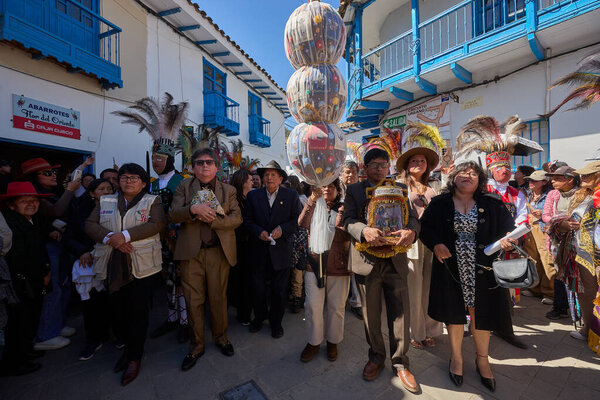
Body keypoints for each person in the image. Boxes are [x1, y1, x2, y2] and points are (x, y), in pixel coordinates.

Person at [420, 161, 516, 392]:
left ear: (480, 180)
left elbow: (508, 228)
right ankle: (456, 358)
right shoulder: (439, 203)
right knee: (453, 314)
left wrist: (507, 240)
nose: (468, 176)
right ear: (453, 177)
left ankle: (482, 359)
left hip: (483, 268)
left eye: (473, 173)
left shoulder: (491, 203)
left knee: (481, 312)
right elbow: (425, 228)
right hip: (451, 267)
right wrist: (436, 244)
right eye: (463, 172)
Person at [343, 147, 420, 393]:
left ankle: (400, 362)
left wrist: (411, 231)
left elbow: (413, 219)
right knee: (371, 315)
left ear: (389, 167)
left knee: (401, 314)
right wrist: (363, 230)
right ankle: (376, 357)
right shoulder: (354, 190)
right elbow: (347, 220)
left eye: (383, 164)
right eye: (374, 164)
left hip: (395, 260)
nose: (379, 168)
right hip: (367, 261)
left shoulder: (401, 189)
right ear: (365, 168)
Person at [85, 163, 166, 385]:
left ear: (142, 182)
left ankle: (134, 357)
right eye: (124, 177)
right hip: (113, 263)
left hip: (143, 266)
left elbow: (157, 224)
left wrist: (126, 236)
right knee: (119, 310)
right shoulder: (106, 200)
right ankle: (128, 350)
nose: (128, 181)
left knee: (138, 312)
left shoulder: (152, 201)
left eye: (134, 178)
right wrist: (112, 237)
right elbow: (90, 224)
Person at [170, 149, 242, 371]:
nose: (204, 167)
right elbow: (173, 213)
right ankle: (197, 345)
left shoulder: (228, 190)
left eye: (209, 162)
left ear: (217, 166)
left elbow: (237, 218)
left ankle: (221, 338)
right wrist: (193, 209)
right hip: (191, 254)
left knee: (219, 299)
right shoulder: (184, 186)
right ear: (193, 167)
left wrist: (213, 220)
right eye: (199, 163)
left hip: (218, 252)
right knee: (193, 302)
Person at [21, 158, 81, 351]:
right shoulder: (34, 195)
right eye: (47, 173)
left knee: (62, 287)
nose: (53, 175)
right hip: (46, 250)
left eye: (53, 172)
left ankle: (56, 325)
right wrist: (70, 189)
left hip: (60, 246)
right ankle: (46, 334)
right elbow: (55, 212)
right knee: (51, 291)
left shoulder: (50, 193)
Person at [395, 122, 444, 350]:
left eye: (422, 161)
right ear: (407, 165)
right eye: (414, 161)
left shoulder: (433, 188)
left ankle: (431, 329)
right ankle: (416, 332)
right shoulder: (400, 186)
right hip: (412, 243)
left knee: (430, 288)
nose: (418, 164)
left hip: (431, 242)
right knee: (414, 290)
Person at [244, 160, 300, 338]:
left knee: (280, 290)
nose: (269, 178)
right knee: (258, 288)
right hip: (258, 251)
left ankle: (276, 323)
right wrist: (258, 231)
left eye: (273, 175)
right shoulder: (253, 196)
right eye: (266, 175)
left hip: (281, 251)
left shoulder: (291, 195)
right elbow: (247, 221)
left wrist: (282, 229)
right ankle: (259, 317)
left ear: (281, 178)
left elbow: (296, 221)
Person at [0, 182, 52, 376]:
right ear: (12, 204)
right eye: (24, 201)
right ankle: (15, 363)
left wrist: (45, 270)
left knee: (30, 317)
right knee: (18, 322)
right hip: (20, 283)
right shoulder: (10, 225)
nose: (31, 204)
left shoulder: (31, 219)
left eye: (34, 200)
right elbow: (19, 259)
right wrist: (40, 273)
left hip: (35, 281)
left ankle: (26, 351)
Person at [298, 179, 351, 363]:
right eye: (324, 186)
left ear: (337, 189)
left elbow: (347, 231)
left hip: (339, 265)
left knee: (336, 307)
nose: (327, 189)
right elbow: (303, 223)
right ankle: (313, 342)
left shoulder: (345, 207)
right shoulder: (312, 202)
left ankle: (333, 341)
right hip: (315, 262)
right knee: (312, 305)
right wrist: (312, 200)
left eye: (331, 186)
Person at [62, 179, 114, 361]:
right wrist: (82, 251)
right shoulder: (80, 212)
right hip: (90, 265)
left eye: (109, 188)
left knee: (114, 301)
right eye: (101, 189)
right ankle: (93, 340)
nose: (106, 191)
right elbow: (69, 237)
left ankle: (114, 334)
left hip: (113, 262)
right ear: (92, 193)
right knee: (92, 304)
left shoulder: (118, 210)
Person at [147, 143, 188, 344]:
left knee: (180, 280)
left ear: (170, 160)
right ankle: (171, 318)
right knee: (167, 280)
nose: (156, 163)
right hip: (158, 240)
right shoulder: (152, 184)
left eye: (160, 159)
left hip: (178, 239)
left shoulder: (182, 182)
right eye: (153, 159)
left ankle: (184, 321)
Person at [561, 161, 600, 341]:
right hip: (582, 253)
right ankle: (588, 329)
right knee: (586, 293)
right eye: (582, 175)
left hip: (596, 254)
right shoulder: (582, 195)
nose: (582, 178)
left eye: (588, 175)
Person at [543, 166, 580, 320]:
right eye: (552, 178)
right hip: (557, 241)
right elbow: (546, 215)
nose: (553, 181)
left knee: (577, 274)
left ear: (570, 179)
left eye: (557, 178)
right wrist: (561, 222)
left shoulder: (581, 193)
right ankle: (560, 306)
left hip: (577, 241)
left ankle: (579, 309)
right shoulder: (553, 194)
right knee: (559, 273)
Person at [520, 170, 555, 304]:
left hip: (543, 229)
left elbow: (556, 214)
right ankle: (534, 288)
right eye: (529, 180)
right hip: (528, 229)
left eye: (534, 180)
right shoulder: (526, 193)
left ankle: (549, 292)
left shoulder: (550, 196)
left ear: (544, 182)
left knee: (547, 260)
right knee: (531, 258)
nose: (531, 182)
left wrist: (544, 215)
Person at [228, 168, 254, 325]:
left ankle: (244, 312)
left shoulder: (249, 198)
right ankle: (243, 314)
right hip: (238, 247)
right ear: (243, 182)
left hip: (249, 246)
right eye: (250, 179)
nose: (252, 182)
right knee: (242, 282)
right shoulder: (234, 201)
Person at [340, 160, 363, 320]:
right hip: (338, 236)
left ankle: (356, 303)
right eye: (347, 172)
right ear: (341, 174)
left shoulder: (361, 190)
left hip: (356, 234)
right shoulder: (335, 187)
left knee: (355, 270)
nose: (350, 175)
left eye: (354, 173)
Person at [286, 174, 306, 314]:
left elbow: (302, 225)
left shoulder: (299, 200)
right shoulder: (302, 198)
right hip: (298, 242)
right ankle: (297, 298)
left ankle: (297, 300)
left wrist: (301, 242)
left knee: (297, 274)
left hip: (298, 242)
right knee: (297, 274)